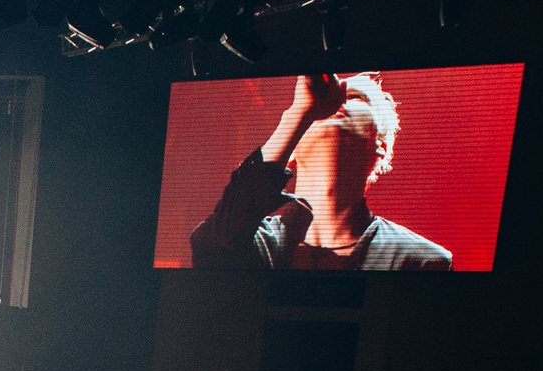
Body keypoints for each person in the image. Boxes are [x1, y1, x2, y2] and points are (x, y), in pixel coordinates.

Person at [189, 72, 454, 271]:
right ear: (290, 152)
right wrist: (300, 113)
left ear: (380, 145)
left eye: (352, 98)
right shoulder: (254, 241)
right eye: (322, 106)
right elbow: (210, 246)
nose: (334, 103)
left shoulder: (421, 259)